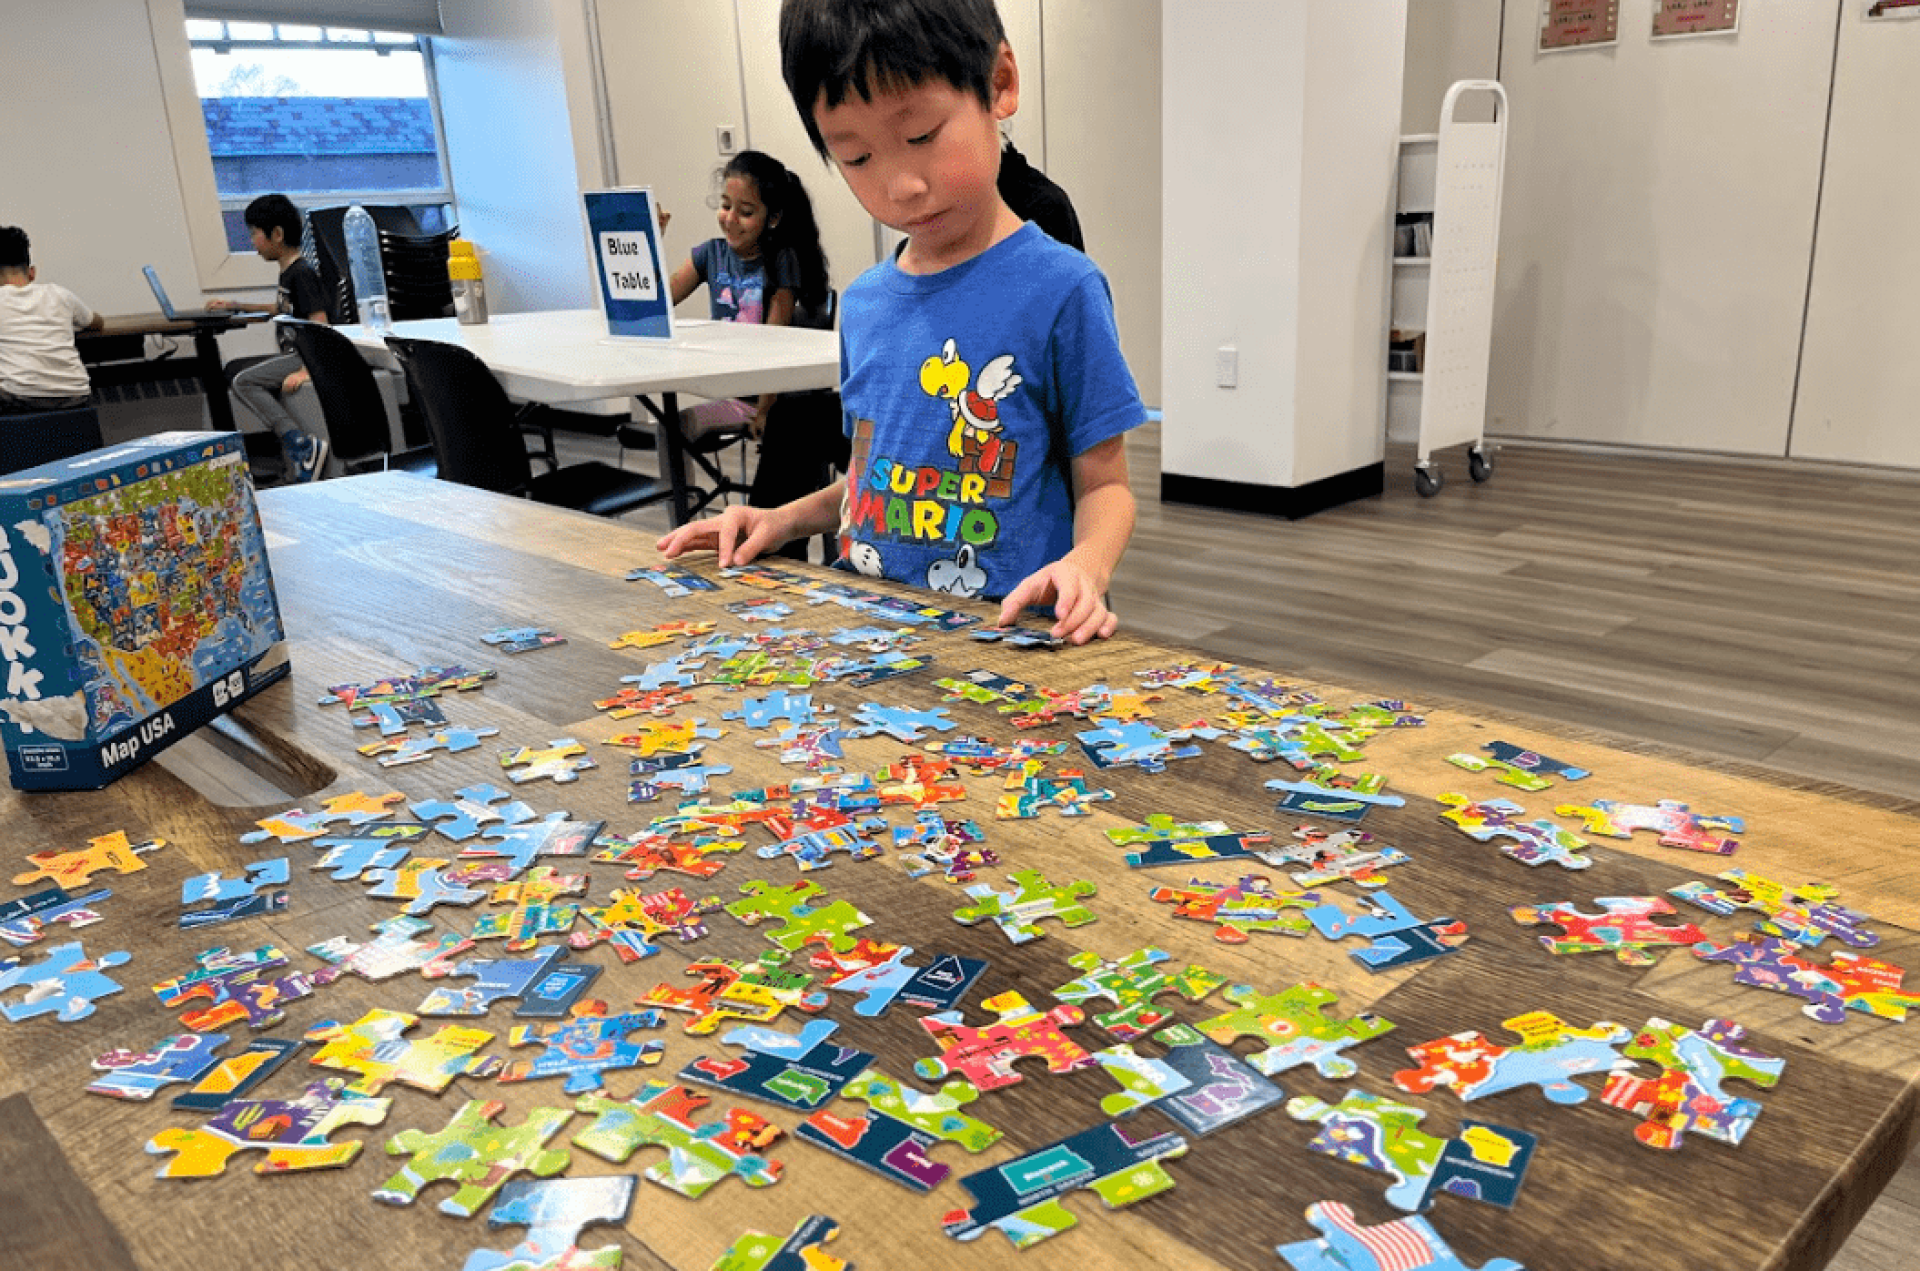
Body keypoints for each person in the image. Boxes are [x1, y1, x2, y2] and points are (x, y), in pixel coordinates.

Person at [658, 0, 1144, 645]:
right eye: (856, 158)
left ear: (999, 82)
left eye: (920, 137)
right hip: (867, 629)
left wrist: (1087, 564)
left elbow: (1107, 486)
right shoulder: (862, 303)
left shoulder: (1063, 289)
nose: (899, 185)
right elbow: (877, 484)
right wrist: (781, 519)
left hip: (1007, 641)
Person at [207, 194, 330, 481]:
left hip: (302, 356)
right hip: (294, 354)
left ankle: (299, 443)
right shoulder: (288, 273)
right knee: (240, 375)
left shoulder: (302, 273)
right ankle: (295, 447)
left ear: (277, 234)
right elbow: (283, 309)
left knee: (243, 381)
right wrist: (238, 305)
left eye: (254, 234)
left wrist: (306, 370)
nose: (252, 241)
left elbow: (320, 323)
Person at [0, 225, 102, 415]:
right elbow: (96, 322)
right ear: (32, 273)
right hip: (76, 396)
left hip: (19, 398)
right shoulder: (59, 294)